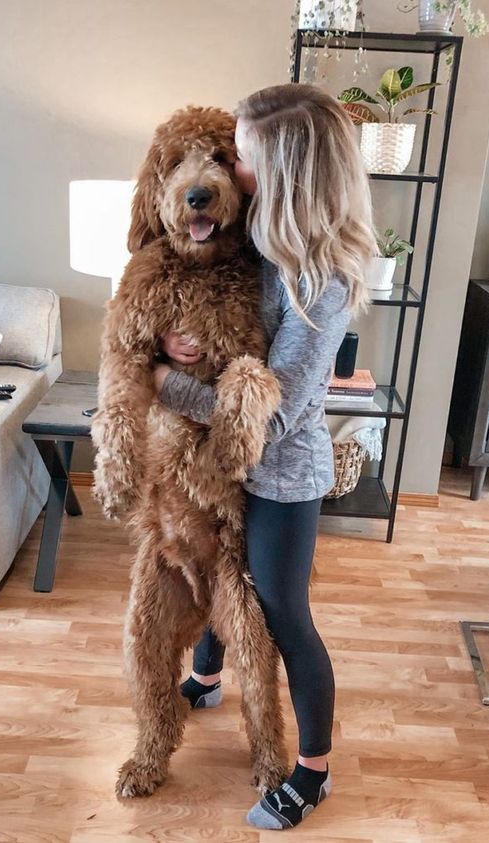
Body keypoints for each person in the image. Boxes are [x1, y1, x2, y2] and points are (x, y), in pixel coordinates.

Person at [151, 83, 376, 831]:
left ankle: (312, 771)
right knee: (223, 573)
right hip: (227, 467)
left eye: (243, 157)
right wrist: (168, 341)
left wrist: (164, 383)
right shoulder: (264, 243)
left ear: (284, 170)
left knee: (282, 612)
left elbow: (267, 413)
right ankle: (209, 675)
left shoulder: (324, 279)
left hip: (279, 474)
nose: (232, 168)